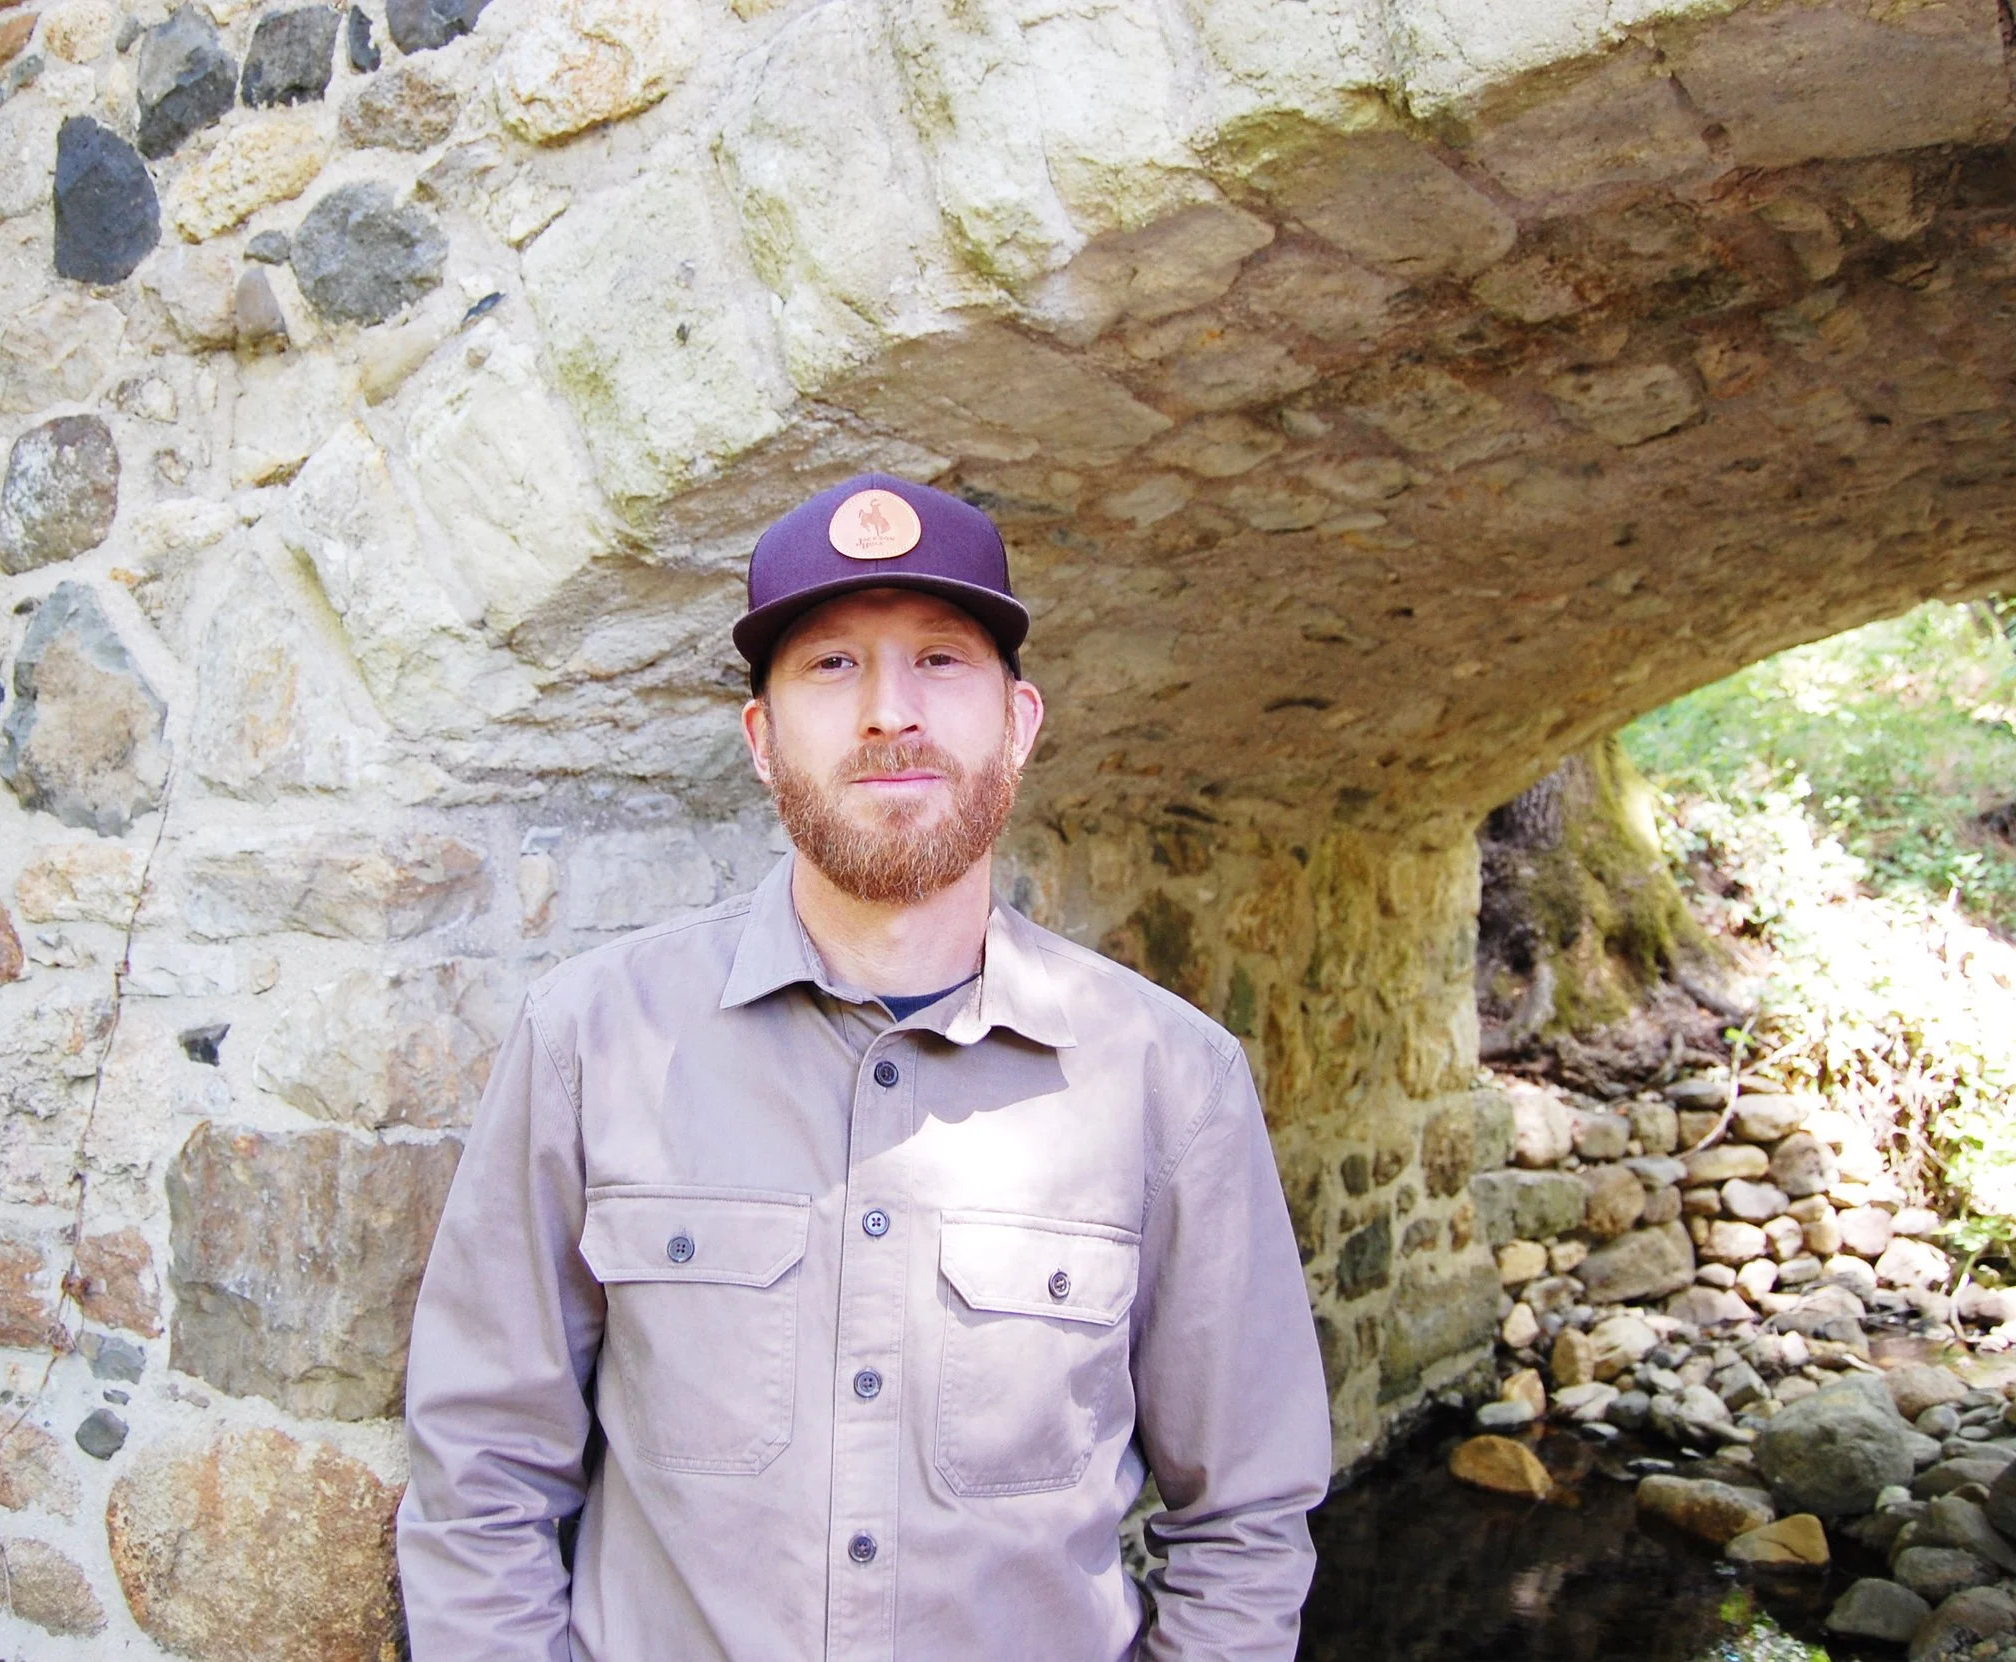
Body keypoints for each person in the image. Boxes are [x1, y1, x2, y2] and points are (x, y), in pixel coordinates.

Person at [397, 474, 1332, 1660]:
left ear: (1019, 723)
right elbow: (480, 1474)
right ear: (761, 738)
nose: (890, 712)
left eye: (940, 660)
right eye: (832, 666)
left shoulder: (1171, 1082)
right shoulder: (589, 1041)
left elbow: (1246, 1521)